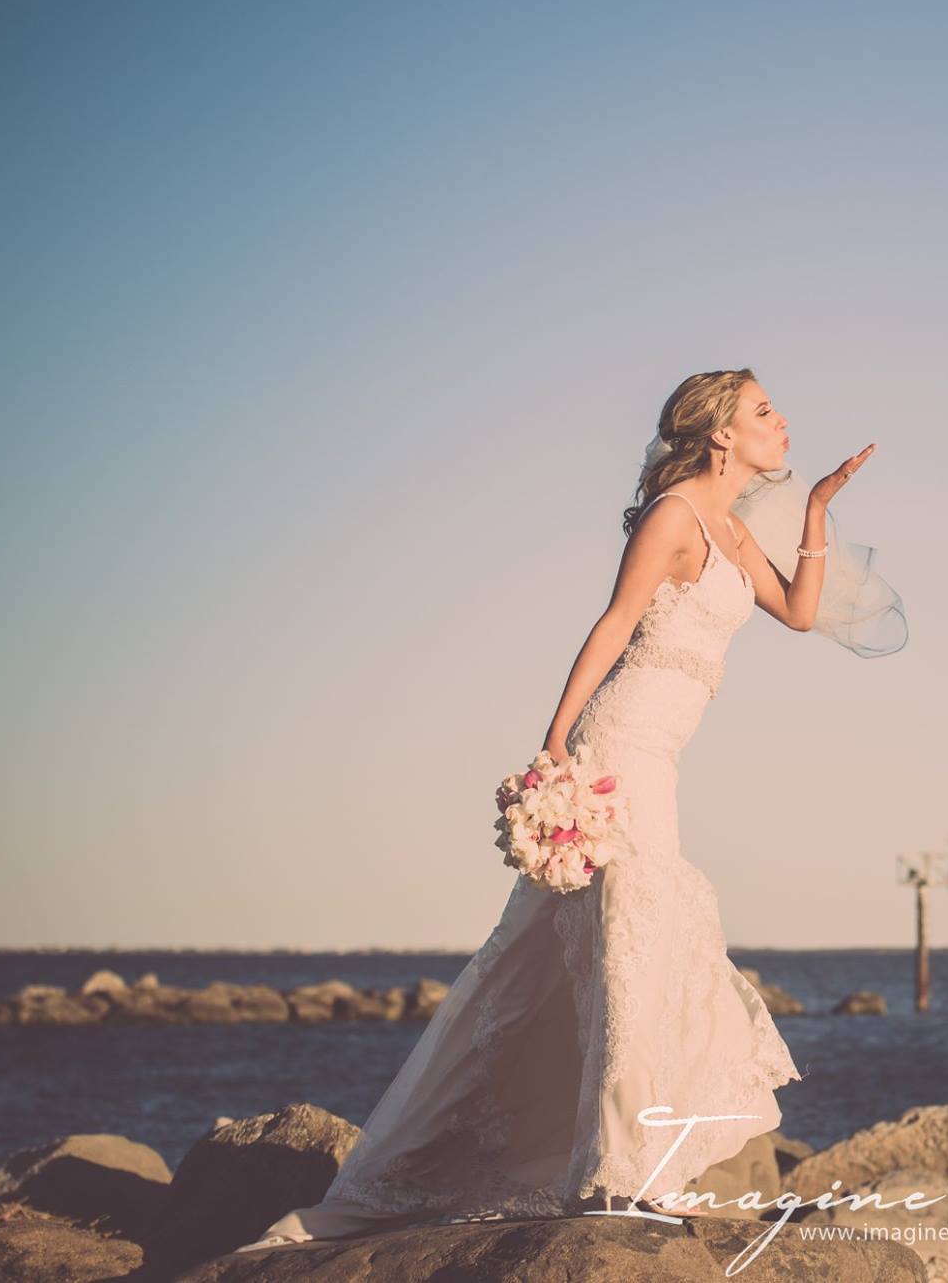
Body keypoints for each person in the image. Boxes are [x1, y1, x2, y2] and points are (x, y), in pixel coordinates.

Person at [242, 368, 896, 1249]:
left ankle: (601, 1164)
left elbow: (801, 609)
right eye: (764, 411)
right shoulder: (674, 517)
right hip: (617, 749)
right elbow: (615, 623)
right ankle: (614, 1175)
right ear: (721, 435)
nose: (783, 421)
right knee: (634, 943)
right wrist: (556, 749)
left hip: (661, 758)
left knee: (584, 957)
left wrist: (816, 508)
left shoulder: (735, 531)